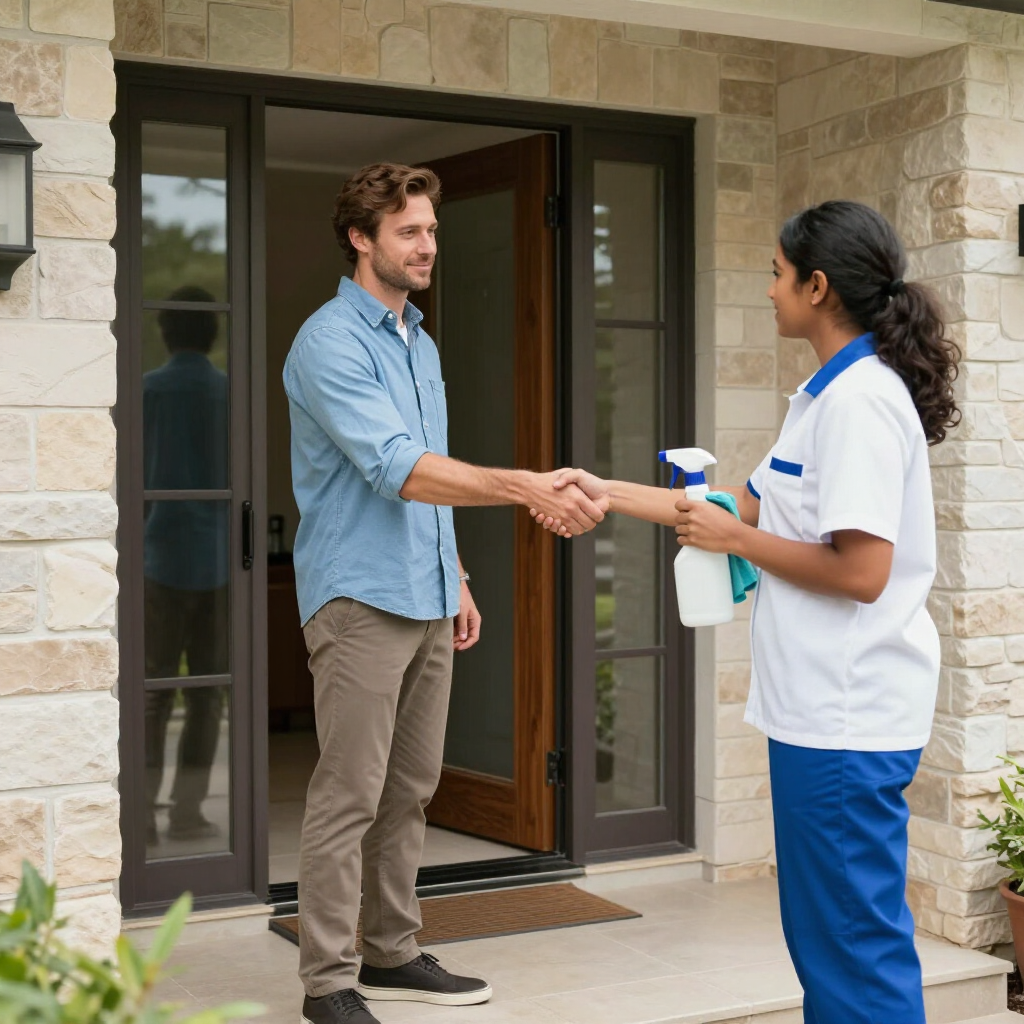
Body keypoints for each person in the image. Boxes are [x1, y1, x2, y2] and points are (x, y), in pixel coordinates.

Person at [541, 201, 959, 1024]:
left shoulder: (862, 404)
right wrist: (603, 490)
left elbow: (864, 570)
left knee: (852, 951)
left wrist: (735, 536)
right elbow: (742, 510)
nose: (767, 291)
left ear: (817, 284)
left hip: (848, 715)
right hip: (816, 715)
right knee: (828, 941)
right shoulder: (821, 397)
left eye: (775, 274)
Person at [284, 162, 605, 1024]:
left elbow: (430, 474)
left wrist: (455, 574)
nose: (428, 246)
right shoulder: (330, 341)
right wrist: (528, 487)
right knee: (348, 792)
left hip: (425, 592)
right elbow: (398, 470)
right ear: (362, 238)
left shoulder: (419, 343)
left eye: (431, 231)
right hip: (358, 598)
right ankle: (327, 983)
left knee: (410, 788)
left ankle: (390, 951)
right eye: (409, 233)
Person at [143, 286, 230, 849]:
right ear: (213, 334)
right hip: (220, 560)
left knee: (154, 692)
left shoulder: (147, 390)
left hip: (159, 556)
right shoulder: (228, 392)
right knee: (206, 693)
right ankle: (187, 814)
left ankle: (142, 816)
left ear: (164, 331)